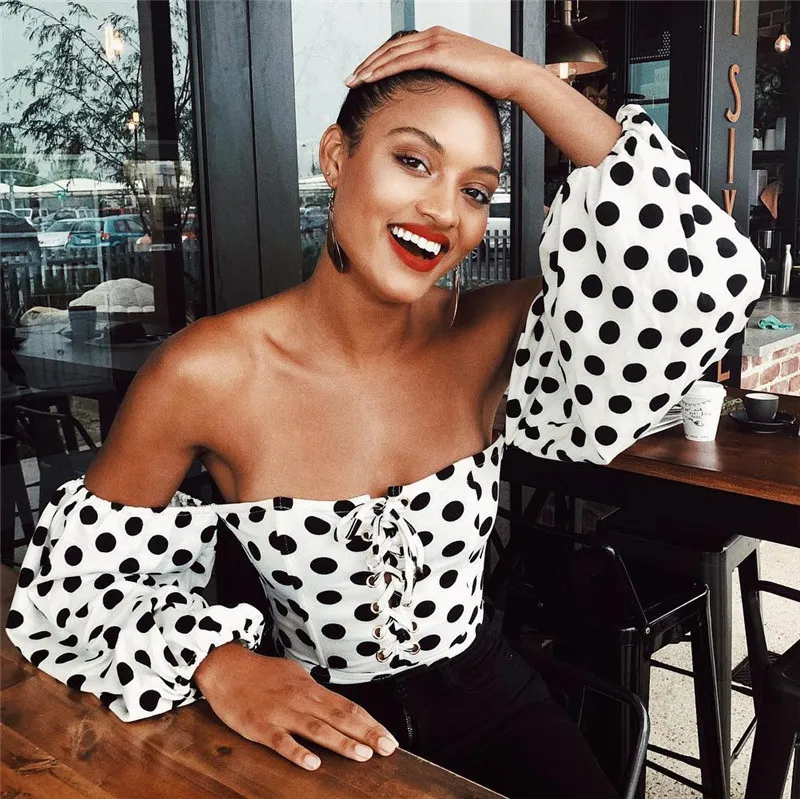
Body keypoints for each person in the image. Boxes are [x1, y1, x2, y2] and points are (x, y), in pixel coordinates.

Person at [5, 28, 761, 798]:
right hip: (319, 719)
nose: (442, 211)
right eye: (414, 161)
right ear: (336, 157)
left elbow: (696, 280)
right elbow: (74, 585)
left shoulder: (489, 333)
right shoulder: (206, 371)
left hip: (494, 700)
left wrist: (526, 81)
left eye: (476, 191)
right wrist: (218, 661)